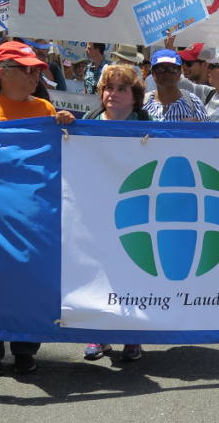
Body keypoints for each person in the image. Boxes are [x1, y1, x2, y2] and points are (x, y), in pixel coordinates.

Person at [0, 41, 76, 376]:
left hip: (33, 214)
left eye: (35, 69)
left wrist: (67, 126)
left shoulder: (44, 108)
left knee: (31, 281)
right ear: (2, 73)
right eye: (25, 69)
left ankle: (26, 348)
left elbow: (62, 154)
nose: (33, 75)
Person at [81, 65, 150, 361]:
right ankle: (99, 335)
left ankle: (132, 336)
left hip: (136, 211)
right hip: (94, 212)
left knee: (134, 273)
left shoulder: (151, 128)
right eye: (109, 88)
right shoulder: (83, 124)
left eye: (122, 88)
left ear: (134, 97)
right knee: (98, 274)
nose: (113, 94)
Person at [143, 49, 210, 122]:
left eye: (172, 68)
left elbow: (208, 131)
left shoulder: (194, 103)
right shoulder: (143, 103)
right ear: (152, 73)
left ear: (180, 73)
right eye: (160, 68)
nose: (166, 73)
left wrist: (195, 127)